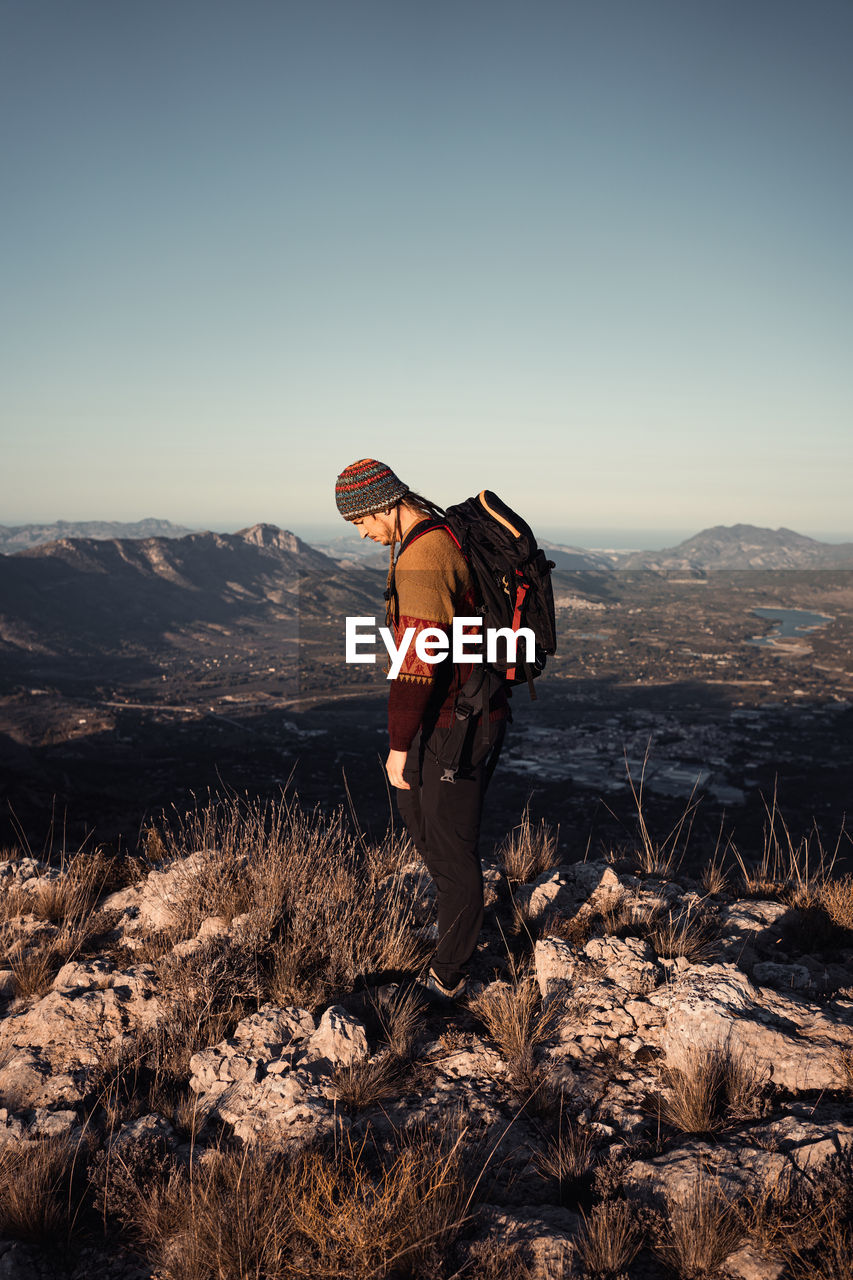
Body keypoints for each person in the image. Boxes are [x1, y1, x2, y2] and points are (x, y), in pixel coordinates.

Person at [335, 458, 507, 1001]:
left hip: (459, 720)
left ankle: (448, 979)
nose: (362, 533)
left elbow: (417, 663)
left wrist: (397, 745)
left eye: (361, 521)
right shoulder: (429, 540)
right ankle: (452, 936)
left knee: (452, 851)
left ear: (384, 504)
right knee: (428, 830)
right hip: (457, 714)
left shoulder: (424, 556)